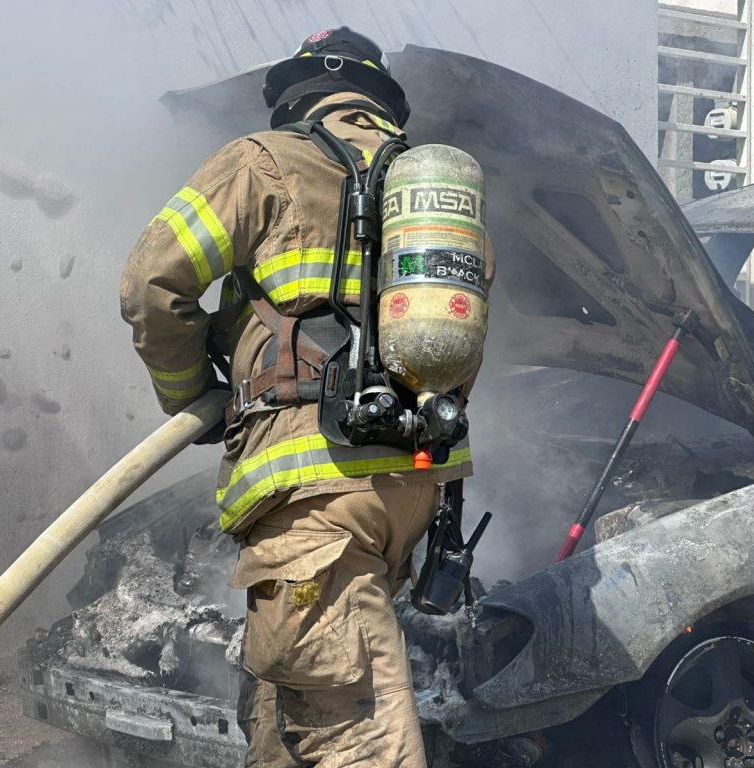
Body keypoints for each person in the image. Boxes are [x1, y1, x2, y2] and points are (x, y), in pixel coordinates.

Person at [120, 27, 492, 767]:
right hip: (411, 491)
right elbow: (461, 345)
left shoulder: (262, 162)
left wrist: (192, 393)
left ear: (294, 97)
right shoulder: (440, 197)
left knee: (357, 739)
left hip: (313, 490)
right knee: (288, 718)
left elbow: (150, 284)